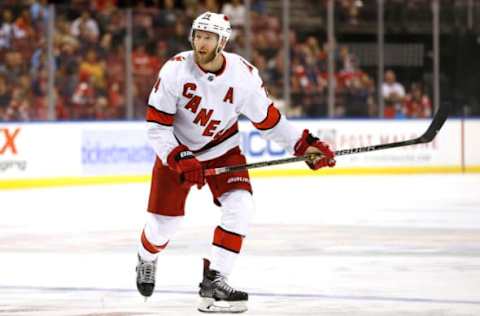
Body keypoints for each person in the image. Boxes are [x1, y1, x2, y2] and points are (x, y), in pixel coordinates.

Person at [135, 12, 336, 313]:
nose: (200, 43)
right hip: (177, 152)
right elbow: (156, 128)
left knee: (241, 204)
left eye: (208, 37)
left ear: (223, 41)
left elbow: (269, 122)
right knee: (164, 227)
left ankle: (214, 282)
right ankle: (146, 257)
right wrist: (179, 157)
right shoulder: (175, 71)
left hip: (223, 148)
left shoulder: (243, 77)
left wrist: (303, 144)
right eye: (197, 36)